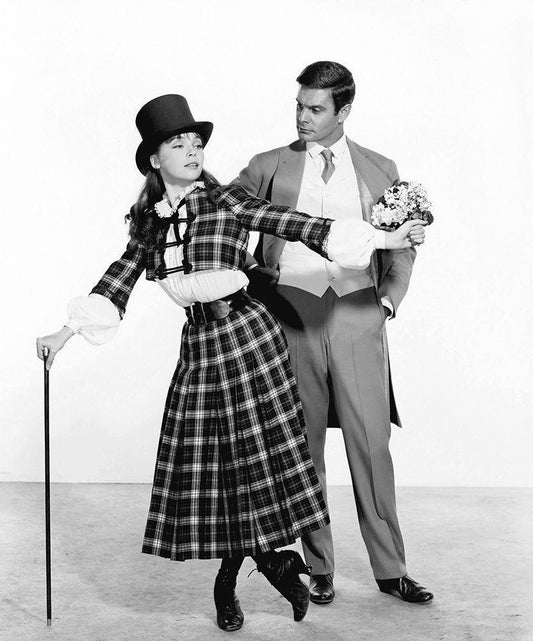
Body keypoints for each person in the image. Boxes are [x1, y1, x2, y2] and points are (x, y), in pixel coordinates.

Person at [36, 94, 426, 631]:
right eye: (178, 143)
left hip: (248, 340)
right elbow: (119, 277)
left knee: (249, 466)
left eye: (196, 141)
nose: (192, 150)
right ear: (154, 159)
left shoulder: (226, 201)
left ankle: (238, 581)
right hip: (201, 345)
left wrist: (384, 238)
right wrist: (64, 334)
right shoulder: (149, 222)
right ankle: (270, 564)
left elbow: (297, 223)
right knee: (218, 469)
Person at [238, 61, 434, 605]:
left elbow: (403, 244)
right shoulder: (268, 165)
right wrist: (255, 281)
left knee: (371, 446)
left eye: (316, 108)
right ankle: (318, 568)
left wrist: (387, 301)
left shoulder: (379, 168)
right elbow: (223, 215)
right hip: (291, 315)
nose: (303, 117)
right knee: (303, 451)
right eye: (299, 106)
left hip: (356, 311)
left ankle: (391, 570)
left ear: (343, 111)